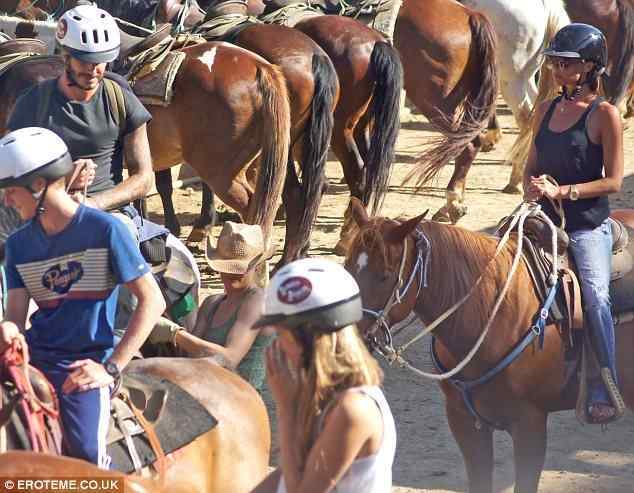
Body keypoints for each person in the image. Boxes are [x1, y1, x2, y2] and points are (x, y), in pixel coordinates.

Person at [0, 128, 165, 467]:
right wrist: (8, 330)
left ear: (38, 186)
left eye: (10, 191)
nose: (6, 201)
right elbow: (15, 318)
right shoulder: (18, 245)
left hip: (82, 364)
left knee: (87, 457)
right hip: (34, 358)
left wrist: (111, 368)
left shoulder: (105, 230)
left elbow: (153, 301)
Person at [523, 23, 624, 424]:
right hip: (539, 218)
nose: (554, 69)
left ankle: (605, 384)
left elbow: (614, 181)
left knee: (597, 296)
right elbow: (530, 167)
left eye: (563, 63)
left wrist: (562, 192)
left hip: (585, 225)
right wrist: (530, 187)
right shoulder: (544, 109)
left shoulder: (605, 115)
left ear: (587, 68)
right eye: (553, 62)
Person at [250, 257, 396, 493]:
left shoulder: (354, 409)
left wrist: (287, 410)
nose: (278, 348)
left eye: (282, 336)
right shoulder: (328, 399)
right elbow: (287, 477)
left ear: (309, 339)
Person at [7, 3, 154, 221]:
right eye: (84, 60)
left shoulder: (120, 99)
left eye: (100, 61)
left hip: (108, 215)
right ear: (65, 56)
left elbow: (144, 177)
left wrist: (94, 204)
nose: (93, 69)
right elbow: (9, 177)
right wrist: (62, 179)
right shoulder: (32, 102)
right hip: (43, 213)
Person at [147, 222, 273, 392]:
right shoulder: (212, 303)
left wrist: (175, 333)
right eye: (228, 266)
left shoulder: (257, 300)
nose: (231, 274)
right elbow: (192, 357)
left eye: (238, 268)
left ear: (256, 266)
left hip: (244, 397)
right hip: (209, 389)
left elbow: (229, 359)